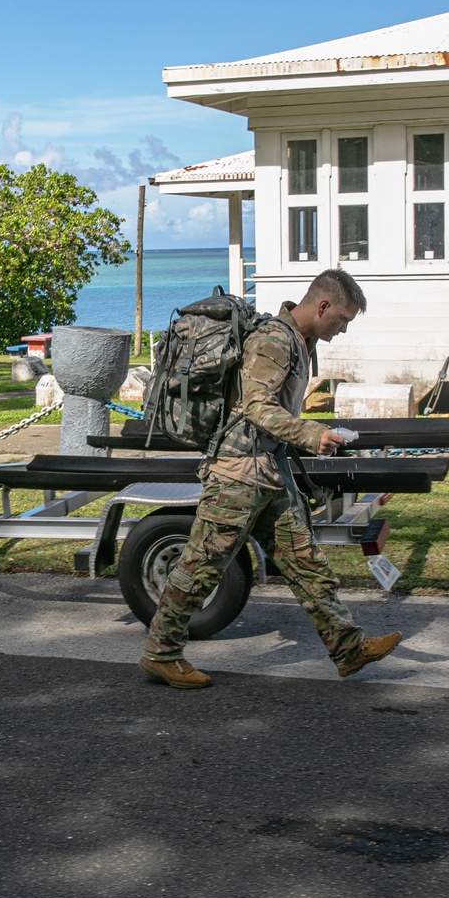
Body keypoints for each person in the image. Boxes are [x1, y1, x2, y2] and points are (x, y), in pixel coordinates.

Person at [139, 268, 401, 689]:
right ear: (323, 306)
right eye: (344, 319)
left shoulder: (300, 341)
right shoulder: (275, 340)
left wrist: (308, 437)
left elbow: (273, 412)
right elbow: (255, 408)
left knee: (305, 561)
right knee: (201, 566)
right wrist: (313, 435)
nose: (344, 329)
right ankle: (160, 653)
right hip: (238, 475)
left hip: (268, 472)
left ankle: (348, 649)